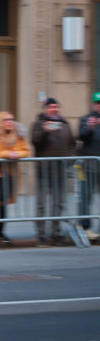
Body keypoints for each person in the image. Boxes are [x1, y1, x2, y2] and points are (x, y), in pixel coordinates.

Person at [30, 97, 76, 246]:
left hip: (60, 170)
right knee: (41, 205)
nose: (54, 109)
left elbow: (72, 144)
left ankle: (56, 233)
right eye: (51, 107)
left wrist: (70, 159)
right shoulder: (38, 124)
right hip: (43, 170)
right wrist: (44, 130)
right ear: (46, 108)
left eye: (56, 106)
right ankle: (41, 235)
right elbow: (35, 141)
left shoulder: (65, 124)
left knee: (58, 204)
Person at [0, 111, 31, 248]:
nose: (10, 122)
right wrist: (6, 154)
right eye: (6, 119)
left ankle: (0, 233)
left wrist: (16, 154)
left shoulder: (17, 134)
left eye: (11, 119)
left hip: (10, 175)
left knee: (3, 205)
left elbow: (26, 150)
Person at [77, 92, 100, 240]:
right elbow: (80, 136)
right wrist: (90, 127)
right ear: (93, 104)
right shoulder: (86, 119)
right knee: (86, 197)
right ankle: (85, 227)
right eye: (97, 103)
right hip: (88, 166)